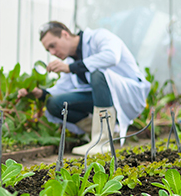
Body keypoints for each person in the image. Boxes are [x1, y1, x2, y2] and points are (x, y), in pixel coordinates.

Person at [17, 21, 150, 155]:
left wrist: (71, 68)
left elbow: (112, 56)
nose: (52, 52)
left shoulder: (100, 36)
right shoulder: (71, 61)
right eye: (48, 50)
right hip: (104, 99)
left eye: (53, 46)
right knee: (54, 103)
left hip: (129, 94)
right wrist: (39, 93)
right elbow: (61, 88)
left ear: (65, 34)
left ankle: (102, 142)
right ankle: (105, 133)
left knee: (98, 74)